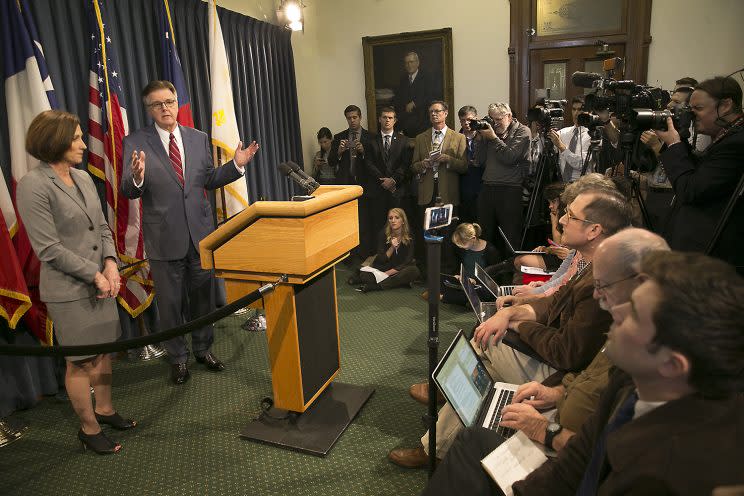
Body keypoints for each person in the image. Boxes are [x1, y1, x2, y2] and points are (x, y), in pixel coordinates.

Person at [388, 188, 632, 468]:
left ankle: (444, 408)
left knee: (486, 338)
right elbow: (552, 304)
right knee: (486, 367)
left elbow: (567, 353)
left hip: (561, 375)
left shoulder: (603, 279)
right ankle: (436, 442)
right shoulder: (595, 263)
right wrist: (515, 313)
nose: (562, 219)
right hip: (558, 364)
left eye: (570, 215)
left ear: (594, 230)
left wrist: (517, 322)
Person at [419, 229, 672, 495]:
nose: (597, 295)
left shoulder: (650, 366)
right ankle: (437, 439)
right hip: (557, 416)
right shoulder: (628, 330)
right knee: (489, 389)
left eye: (604, 285)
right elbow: (588, 378)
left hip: (559, 453)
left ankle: (437, 437)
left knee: (474, 433)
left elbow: (602, 458)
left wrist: (547, 431)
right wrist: (554, 393)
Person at [121, 80, 259, 385]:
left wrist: (236, 166)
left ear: (176, 102)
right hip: (164, 240)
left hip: (200, 237)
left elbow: (207, 180)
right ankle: (178, 358)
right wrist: (138, 178)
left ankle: (203, 349)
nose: (165, 108)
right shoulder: (135, 142)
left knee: (202, 300)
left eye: (169, 101)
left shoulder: (197, 138)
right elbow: (128, 190)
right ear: (149, 109)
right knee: (170, 306)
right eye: (157, 104)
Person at [17, 110, 136, 454]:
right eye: (77, 138)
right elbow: (48, 249)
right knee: (81, 361)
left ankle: (106, 409)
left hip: (102, 282)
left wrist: (112, 264)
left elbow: (101, 227)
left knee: (103, 353)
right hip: (70, 291)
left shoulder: (83, 178)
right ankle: (89, 427)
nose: (84, 144)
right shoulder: (33, 185)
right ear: (53, 141)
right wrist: (95, 274)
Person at [654, 76, 744, 273]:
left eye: (699, 109)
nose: (692, 115)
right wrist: (676, 142)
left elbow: (691, 189)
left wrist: (674, 145)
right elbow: (698, 173)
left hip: (714, 261)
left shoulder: (736, 144)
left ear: (726, 105)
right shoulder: (726, 138)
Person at [474, 102, 531, 253]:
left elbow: (510, 157)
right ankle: (485, 272)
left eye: (499, 119)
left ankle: (511, 274)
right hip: (487, 188)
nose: (495, 123)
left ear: (509, 116)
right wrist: (480, 140)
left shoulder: (523, 131)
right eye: (492, 119)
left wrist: (493, 138)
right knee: (483, 234)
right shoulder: (489, 131)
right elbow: (479, 161)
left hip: (510, 189)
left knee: (510, 237)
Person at [360, 107, 410, 256]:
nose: (387, 120)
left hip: (397, 191)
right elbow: (368, 164)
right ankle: (380, 256)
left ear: (395, 120)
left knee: (398, 226)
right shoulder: (370, 141)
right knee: (378, 226)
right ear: (379, 119)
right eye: (384, 117)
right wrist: (383, 181)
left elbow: (405, 164)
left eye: (390, 117)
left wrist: (393, 180)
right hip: (377, 191)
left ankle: (398, 255)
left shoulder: (404, 141)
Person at [353, 208, 420, 292]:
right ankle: (398, 282)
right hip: (385, 267)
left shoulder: (409, 235)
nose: (393, 220)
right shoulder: (383, 234)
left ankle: (376, 287)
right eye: (390, 218)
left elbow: (407, 261)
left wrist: (387, 273)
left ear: (403, 221)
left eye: (397, 217)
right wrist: (392, 247)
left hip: (400, 269)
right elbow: (381, 259)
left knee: (414, 271)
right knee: (365, 275)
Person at [393, 51, 441, 138]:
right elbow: (398, 99)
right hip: (406, 123)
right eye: (407, 63)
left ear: (417, 63)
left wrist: (415, 103)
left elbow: (432, 96)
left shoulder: (427, 77)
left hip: (423, 121)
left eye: (411, 62)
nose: (409, 65)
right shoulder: (402, 80)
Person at [549, 96, 590, 183]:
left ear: (587, 112)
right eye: (574, 109)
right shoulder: (564, 132)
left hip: (583, 185)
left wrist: (561, 146)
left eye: (579, 110)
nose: (576, 113)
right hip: (564, 184)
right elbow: (549, 148)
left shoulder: (591, 135)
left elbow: (582, 164)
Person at [457, 106, 483, 223]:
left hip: (482, 186)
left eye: (469, 119)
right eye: (463, 120)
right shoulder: (455, 138)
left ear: (476, 119)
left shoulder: (485, 136)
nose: (466, 123)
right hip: (463, 187)